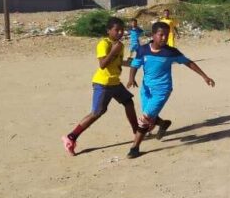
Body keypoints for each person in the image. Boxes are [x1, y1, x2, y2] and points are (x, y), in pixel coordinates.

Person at [126, 21, 215, 158]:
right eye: (161, 35)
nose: (164, 38)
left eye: (166, 35)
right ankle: (163, 123)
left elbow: (188, 62)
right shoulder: (142, 50)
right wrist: (131, 78)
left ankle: (135, 148)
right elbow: (135, 64)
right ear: (153, 35)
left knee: (145, 119)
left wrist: (205, 76)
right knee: (149, 117)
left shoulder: (171, 52)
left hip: (162, 90)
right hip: (146, 89)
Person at [61, 17, 138, 156]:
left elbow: (118, 63)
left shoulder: (119, 45)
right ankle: (71, 137)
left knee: (128, 102)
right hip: (103, 84)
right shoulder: (104, 44)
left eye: (122, 30)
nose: (120, 33)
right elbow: (102, 64)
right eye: (116, 30)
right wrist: (114, 51)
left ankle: (136, 131)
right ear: (108, 30)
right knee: (97, 112)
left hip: (115, 82)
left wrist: (133, 62)